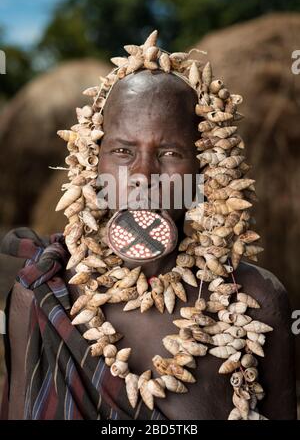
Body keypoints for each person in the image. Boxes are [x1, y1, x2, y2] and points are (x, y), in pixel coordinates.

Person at [0, 33, 297, 420]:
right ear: (93, 163)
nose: (143, 175)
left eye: (170, 153)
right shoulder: (42, 296)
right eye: (123, 151)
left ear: (206, 167)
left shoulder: (253, 303)